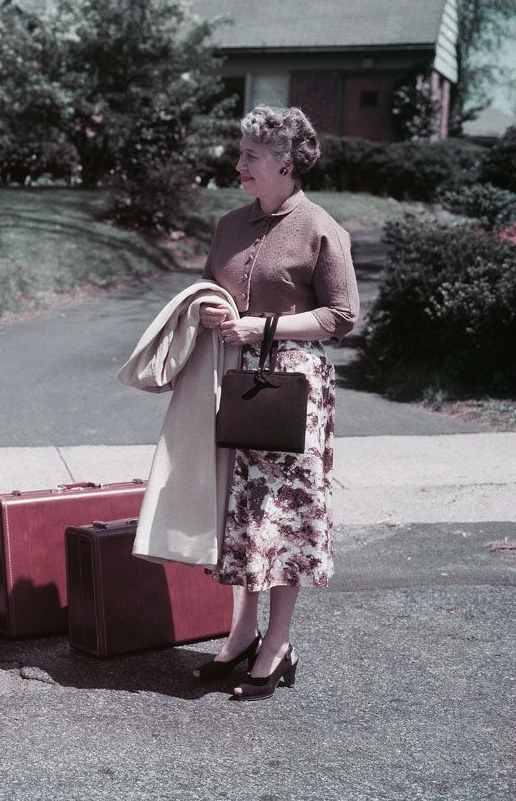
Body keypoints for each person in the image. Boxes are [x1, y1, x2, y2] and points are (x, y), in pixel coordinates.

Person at [193, 105, 359, 700]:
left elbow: (342, 316)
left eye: (251, 157)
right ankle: (241, 633)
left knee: (280, 517)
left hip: (291, 389)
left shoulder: (319, 227)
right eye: (240, 153)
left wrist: (260, 328)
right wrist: (209, 312)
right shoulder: (230, 224)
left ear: (286, 164)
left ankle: (277, 643)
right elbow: (210, 288)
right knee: (239, 513)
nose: (240, 165)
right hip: (233, 380)